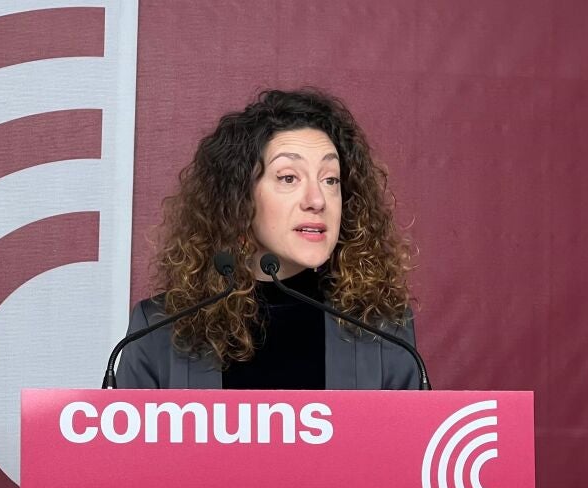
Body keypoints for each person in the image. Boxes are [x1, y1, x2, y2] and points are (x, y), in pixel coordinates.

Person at [119, 88, 421, 389]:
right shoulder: (158, 330)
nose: (317, 200)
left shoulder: (383, 331)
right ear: (240, 197)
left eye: (330, 179)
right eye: (289, 178)